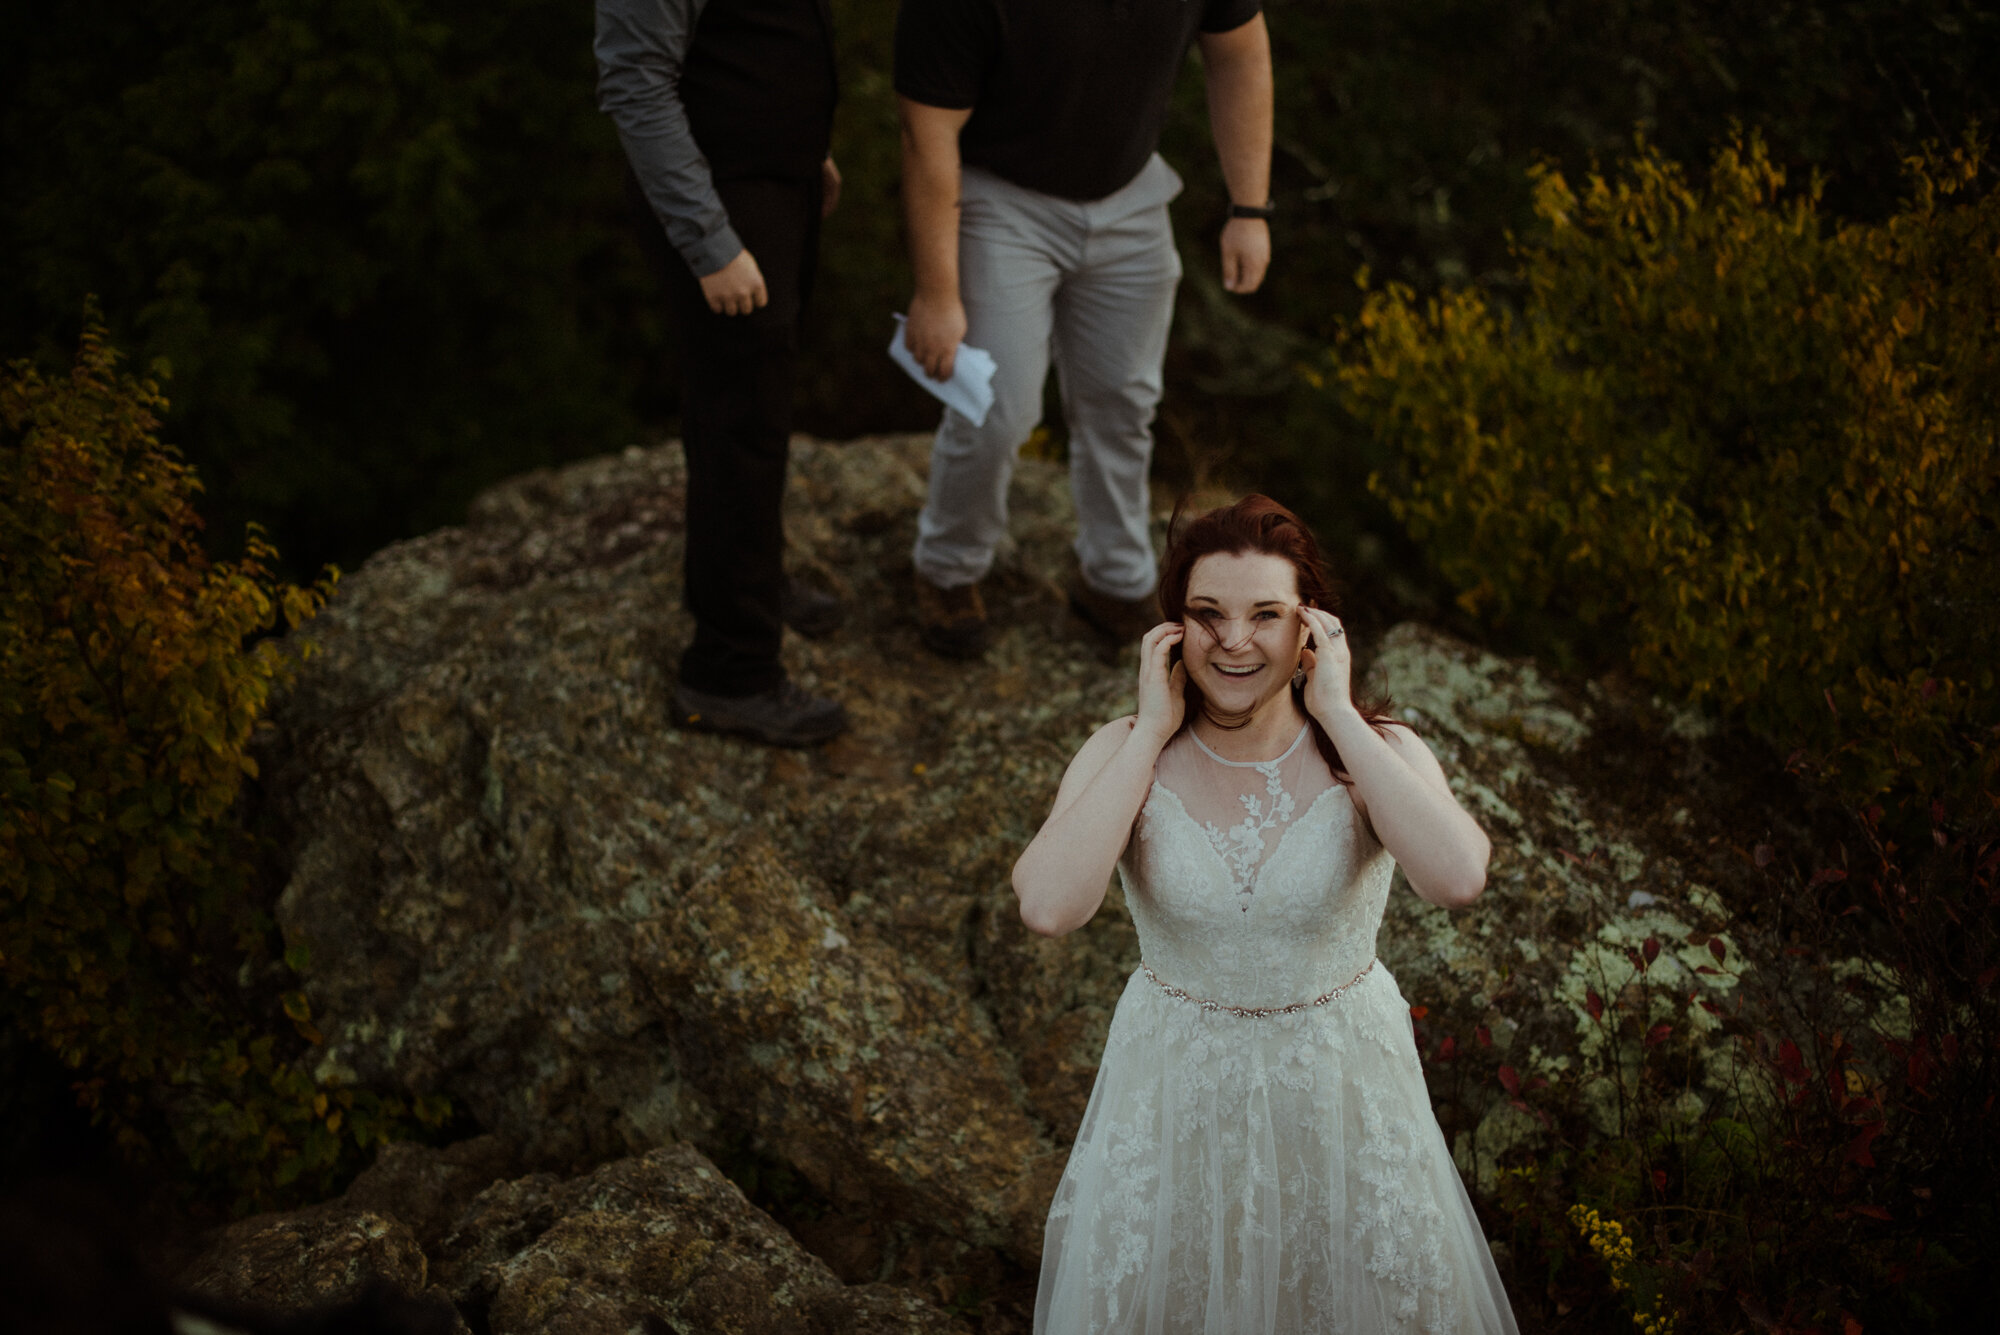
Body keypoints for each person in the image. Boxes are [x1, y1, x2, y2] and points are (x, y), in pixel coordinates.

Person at [1013, 496, 1520, 1333]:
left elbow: (1460, 876)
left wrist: (1337, 714)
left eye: (1267, 616)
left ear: (1311, 628)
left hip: (1343, 1105)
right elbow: (1048, 905)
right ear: (1174, 630)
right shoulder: (1121, 750)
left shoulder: (1374, 750)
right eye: (1208, 615)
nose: (1235, 641)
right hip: (1177, 1106)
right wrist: (1148, 734)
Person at [893, 0, 1276, 659]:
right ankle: (949, 566)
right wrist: (937, 291)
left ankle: (1115, 576)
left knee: (1123, 399)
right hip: (1000, 199)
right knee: (996, 409)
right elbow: (926, 133)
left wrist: (1249, 206)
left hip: (1130, 193)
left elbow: (1240, 53)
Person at [595, 0, 849, 746]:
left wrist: (807, 152)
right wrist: (709, 242)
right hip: (720, 205)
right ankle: (729, 671)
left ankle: (745, 584)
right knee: (742, 424)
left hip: (776, 186)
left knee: (749, 412)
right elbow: (636, 83)